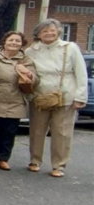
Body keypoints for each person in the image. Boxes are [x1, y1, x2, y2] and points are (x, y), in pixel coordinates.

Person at [25, 19, 88, 178]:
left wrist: (80, 97)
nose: (49, 33)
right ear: (38, 34)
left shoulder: (70, 48)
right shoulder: (31, 51)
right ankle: (35, 160)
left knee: (62, 132)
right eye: (45, 31)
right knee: (37, 130)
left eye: (52, 30)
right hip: (40, 95)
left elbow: (81, 73)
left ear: (59, 31)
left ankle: (58, 165)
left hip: (65, 94)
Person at [0, 31, 36, 171]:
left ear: (22, 44)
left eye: (17, 41)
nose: (14, 43)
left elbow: (36, 80)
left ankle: (3, 158)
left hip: (16, 100)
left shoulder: (26, 60)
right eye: (11, 40)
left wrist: (28, 73)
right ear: (4, 42)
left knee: (9, 132)